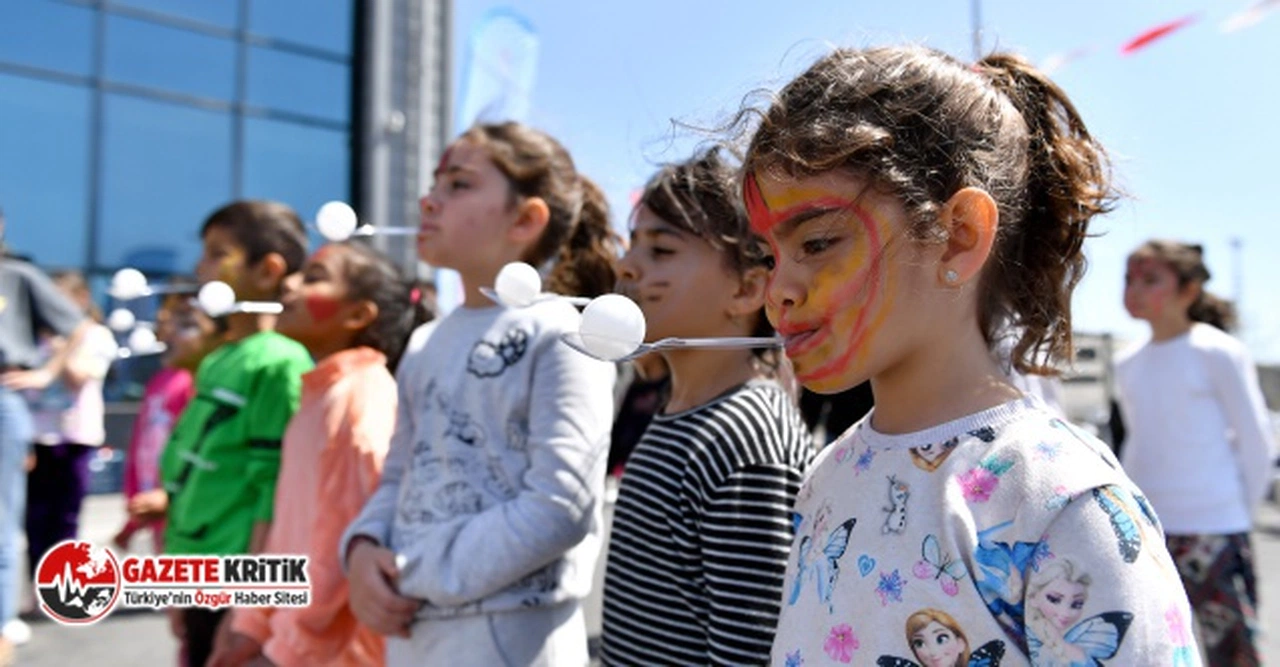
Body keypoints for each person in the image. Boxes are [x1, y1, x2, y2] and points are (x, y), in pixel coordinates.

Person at [743, 46, 1198, 665]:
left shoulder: (1060, 502)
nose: (778, 291)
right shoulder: (828, 474)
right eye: (769, 256)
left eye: (818, 242)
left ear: (958, 237)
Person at [340, 122, 620, 666]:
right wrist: (363, 548)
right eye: (434, 183)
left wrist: (411, 569)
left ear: (525, 219)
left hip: (515, 636)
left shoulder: (562, 332)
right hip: (414, 632)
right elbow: (398, 476)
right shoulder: (424, 341)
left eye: (459, 184)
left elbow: (560, 505)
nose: (428, 201)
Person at [599, 148, 813, 665]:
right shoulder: (685, 409)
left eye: (661, 250)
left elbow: (750, 650)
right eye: (633, 244)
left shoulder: (745, 436)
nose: (627, 266)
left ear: (746, 288)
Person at [207, 241, 432, 667]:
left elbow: (345, 543)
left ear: (357, 315)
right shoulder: (319, 396)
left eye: (314, 277)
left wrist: (288, 649)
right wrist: (250, 622)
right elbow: (287, 534)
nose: (289, 283)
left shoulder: (361, 397)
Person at [158, 201, 314, 667]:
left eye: (217, 253)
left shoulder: (279, 362)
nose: (200, 268)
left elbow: (274, 489)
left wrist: (249, 606)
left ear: (268, 271)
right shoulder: (221, 357)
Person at [1114, 240, 1276, 665]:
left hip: (1215, 526)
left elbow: (1256, 439)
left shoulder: (1218, 351)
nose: (1134, 290)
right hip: (1150, 529)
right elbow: (1137, 440)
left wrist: (1238, 512)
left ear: (1188, 290)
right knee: (1151, 650)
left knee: (1233, 652)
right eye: (1129, 279)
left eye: (1151, 280)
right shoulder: (1127, 361)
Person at [0, 209, 89, 666]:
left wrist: (46, 373)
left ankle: (1, 621)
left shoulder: (17, 276)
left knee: (4, 516)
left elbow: (79, 325)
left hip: (4, 397)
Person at [23, 271, 118, 577]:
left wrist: (63, 344)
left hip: (76, 435)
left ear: (81, 299)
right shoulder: (33, 334)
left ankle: (59, 580)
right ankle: (36, 582)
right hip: (37, 435)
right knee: (34, 516)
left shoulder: (96, 336)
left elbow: (78, 377)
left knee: (65, 515)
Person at [114, 282, 216, 552]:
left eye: (182, 324)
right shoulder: (158, 382)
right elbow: (140, 448)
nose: (164, 333)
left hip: (190, 516)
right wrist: (133, 517)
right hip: (157, 516)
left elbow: (205, 453)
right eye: (162, 324)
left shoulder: (201, 384)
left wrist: (171, 495)